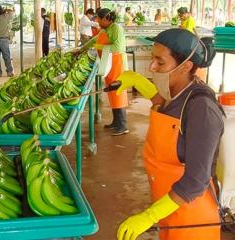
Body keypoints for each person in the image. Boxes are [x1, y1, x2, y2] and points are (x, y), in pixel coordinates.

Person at [115, 28, 223, 240]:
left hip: (192, 219)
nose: (152, 66)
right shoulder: (175, 91)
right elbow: (162, 101)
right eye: (152, 58)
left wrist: (149, 216)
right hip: (168, 207)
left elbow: (196, 180)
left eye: (160, 62)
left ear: (187, 66)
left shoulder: (202, 109)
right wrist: (136, 80)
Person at [80, 8, 129, 135]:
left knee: (118, 92)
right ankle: (116, 122)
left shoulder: (116, 28)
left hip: (118, 63)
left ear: (106, 19)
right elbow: (94, 40)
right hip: (109, 63)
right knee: (112, 92)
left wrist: (98, 47)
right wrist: (81, 49)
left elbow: (118, 47)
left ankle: (123, 125)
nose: (98, 22)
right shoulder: (105, 29)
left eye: (99, 20)